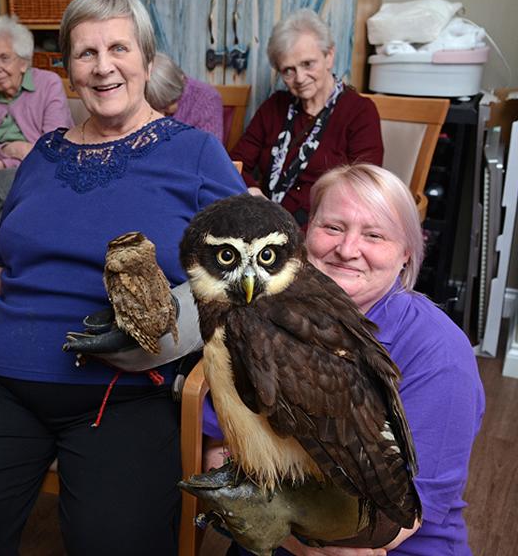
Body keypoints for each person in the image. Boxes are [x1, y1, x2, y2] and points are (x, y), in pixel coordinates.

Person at [0, 0, 246, 556]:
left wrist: (180, 334)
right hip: (3, 377)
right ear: (66, 70)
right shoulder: (44, 152)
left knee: (117, 542)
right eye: (86, 53)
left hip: (125, 389)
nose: (103, 66)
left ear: (146, 59)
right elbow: (1, 251)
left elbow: (251, 269)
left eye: (119, 49)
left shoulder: (194, 154)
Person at [203, 163, 485, 556]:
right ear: (305, 233)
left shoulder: (440, 353)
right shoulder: (257, 314)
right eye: (332, 228)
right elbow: (220, 444)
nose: (348, 250)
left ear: (406, 252)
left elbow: (408, 513)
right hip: (280, 537)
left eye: (374, 235)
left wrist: (275, 522)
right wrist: (272, 526)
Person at [230, 9, 383, 227]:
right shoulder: (275, 106)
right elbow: (236, 163)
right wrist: (255, 195)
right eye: (288, 70)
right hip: (265, 221)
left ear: (329, 56)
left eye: (307, 64)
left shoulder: (359, 112)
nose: (300, 78)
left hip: (324, 228)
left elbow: (363, 186)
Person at [0, 15, 73, 248]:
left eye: (4, 58)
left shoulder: (48, 84)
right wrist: (11, 150)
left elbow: (52, 151)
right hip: (0, 175)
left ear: (23, 61)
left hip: (40, 175)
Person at [145, 51, 223, 141]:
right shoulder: (138, 98)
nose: (169, 110)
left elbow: (211, 151)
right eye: (159, 107)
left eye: (173, 100)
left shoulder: (208, 99)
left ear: (181, 78)